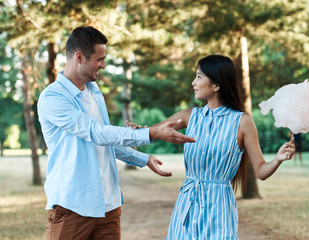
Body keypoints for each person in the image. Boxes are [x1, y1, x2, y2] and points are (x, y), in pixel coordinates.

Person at [37, 26, 195, 240]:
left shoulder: (94, 90)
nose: (103, 65)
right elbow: (97, 133)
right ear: (79, 57)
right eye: (99, 59)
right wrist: (152, 133)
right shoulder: (53, 98)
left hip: (108, 206)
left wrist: (141, 158)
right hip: (72, 206)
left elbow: (106, 141)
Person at [129, 55, 295, 239]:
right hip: (187, 204)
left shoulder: (243, 122)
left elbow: (261, 171)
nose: (193, 82)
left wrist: (279, 159)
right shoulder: (189, 116)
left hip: (219, 210)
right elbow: (151, 133)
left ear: (216, 85)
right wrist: (136, 131)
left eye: (199, 77)